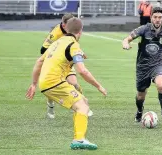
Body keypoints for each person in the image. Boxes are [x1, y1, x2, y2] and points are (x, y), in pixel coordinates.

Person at [26, 17, 107, 150]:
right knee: (83, 107)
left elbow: (39, 62)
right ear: (80, 32)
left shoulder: (57, 42)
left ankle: (79, 137)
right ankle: (79, 140)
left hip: (45, 83)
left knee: (83, 102)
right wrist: (99, 86)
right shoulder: (73, 45)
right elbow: (82, 71)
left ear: (66, 28)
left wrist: (34, 84)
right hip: (55, 82)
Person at [40, 13, 92, 118]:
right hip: (54, 62)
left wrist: (79, 52)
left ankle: (83, 105)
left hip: (67, 61)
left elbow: (71, 45)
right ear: (63, 24)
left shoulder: (73, 30)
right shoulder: (55, 34)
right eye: (64, 25)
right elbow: (43, 49)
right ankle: (50, 106)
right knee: (51, 86)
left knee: (74, 83)